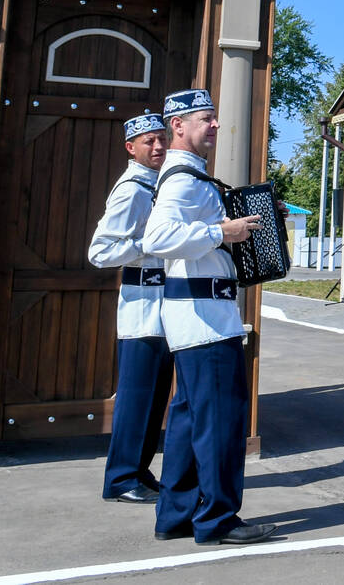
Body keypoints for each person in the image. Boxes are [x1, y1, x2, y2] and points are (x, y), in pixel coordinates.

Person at [142, 88, 276, 546]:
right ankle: (217, 520)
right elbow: (157, 238)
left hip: (198, 314)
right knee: (220, 420)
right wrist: (223, 231)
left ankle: (175, 514)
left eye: (216, 117)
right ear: (177, 125)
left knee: (188, 420)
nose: (215, 125)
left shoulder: (192, 176)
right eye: (206, 118)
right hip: (203, 318)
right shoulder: (183, 177)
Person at [88, 111, 172, 504]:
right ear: (130, 148)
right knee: (137, 397)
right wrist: (152, 245)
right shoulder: (133, 189)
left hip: (162, 305)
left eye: (161, 139)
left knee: (155, 399)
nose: (157, 147)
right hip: (141, 306)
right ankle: (121, 478)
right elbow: (101, 251)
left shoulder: (157, 183)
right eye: (148, 142)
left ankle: (138, 470)